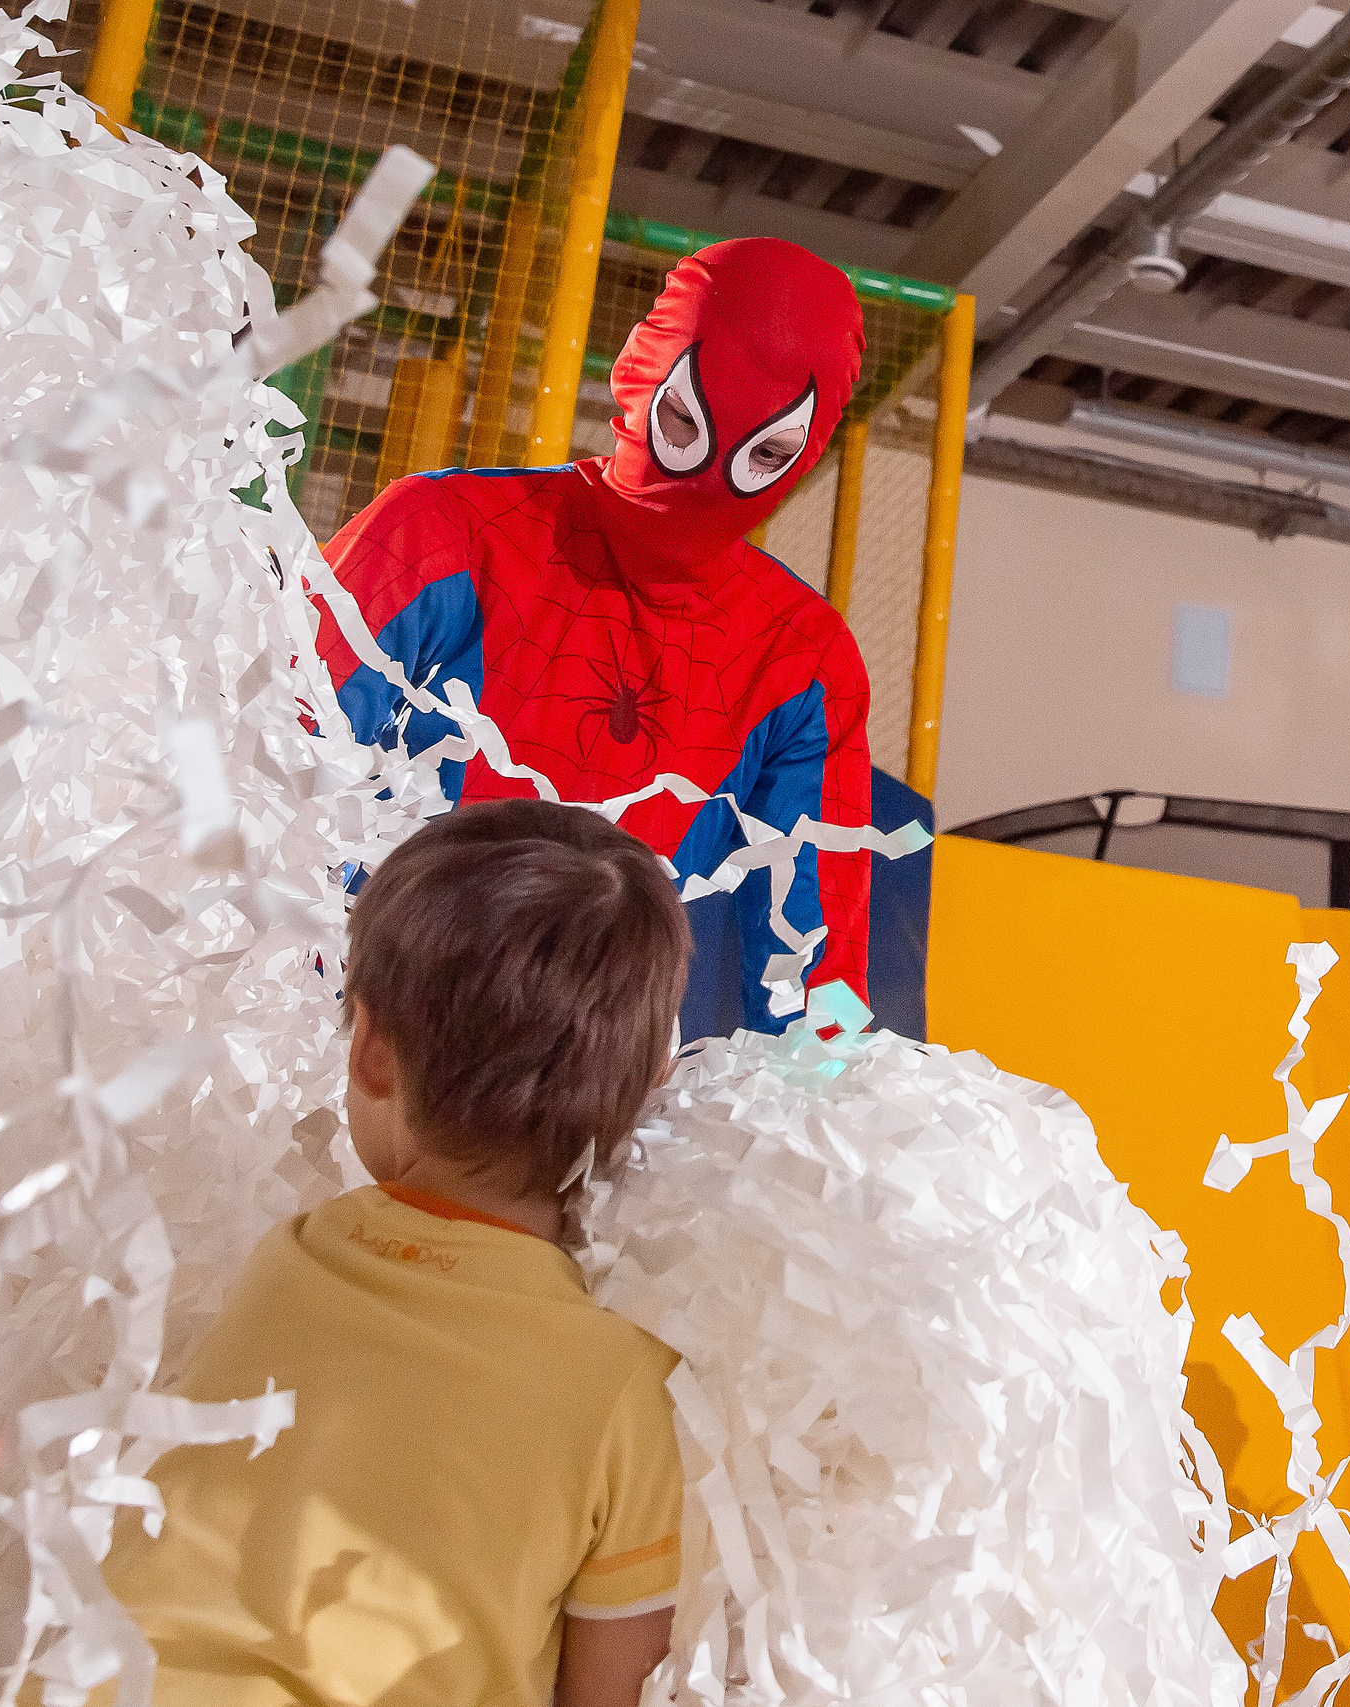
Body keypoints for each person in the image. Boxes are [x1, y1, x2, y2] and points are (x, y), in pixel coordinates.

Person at [96, 799, 693, 1707]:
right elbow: (615, 1692)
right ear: (654, 1084)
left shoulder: (293, 1255)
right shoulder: (627, 1386)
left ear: (370, 1046)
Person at [310, 238, 871, 1036]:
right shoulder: (441, 536)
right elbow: (267, 771)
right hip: (365, 1022)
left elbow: (821, 973)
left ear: (804, 458)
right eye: (683, 420)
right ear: (640, 371)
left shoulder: (802, 661)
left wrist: (824, 1112)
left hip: (579, 1069)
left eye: (767, 455)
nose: (707, 477)